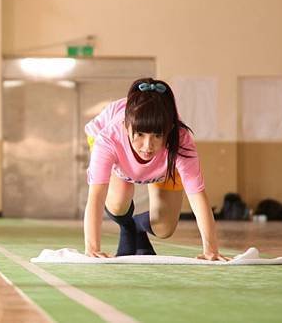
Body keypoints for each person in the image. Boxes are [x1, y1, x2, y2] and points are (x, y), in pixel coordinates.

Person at [83, 78, 229, 260]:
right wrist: (93, 248)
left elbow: (197, 196)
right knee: (119, 200)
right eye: (140, 135)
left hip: (162, 167)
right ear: (126, 127)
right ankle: (127, 225)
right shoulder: (109, 138)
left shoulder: (181, 142)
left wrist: (211, 249)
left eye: (157, 136)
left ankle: (137, 226)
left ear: (169, 131)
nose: (147, 146)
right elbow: (96, 196)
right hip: (120, 162)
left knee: (164, 227)